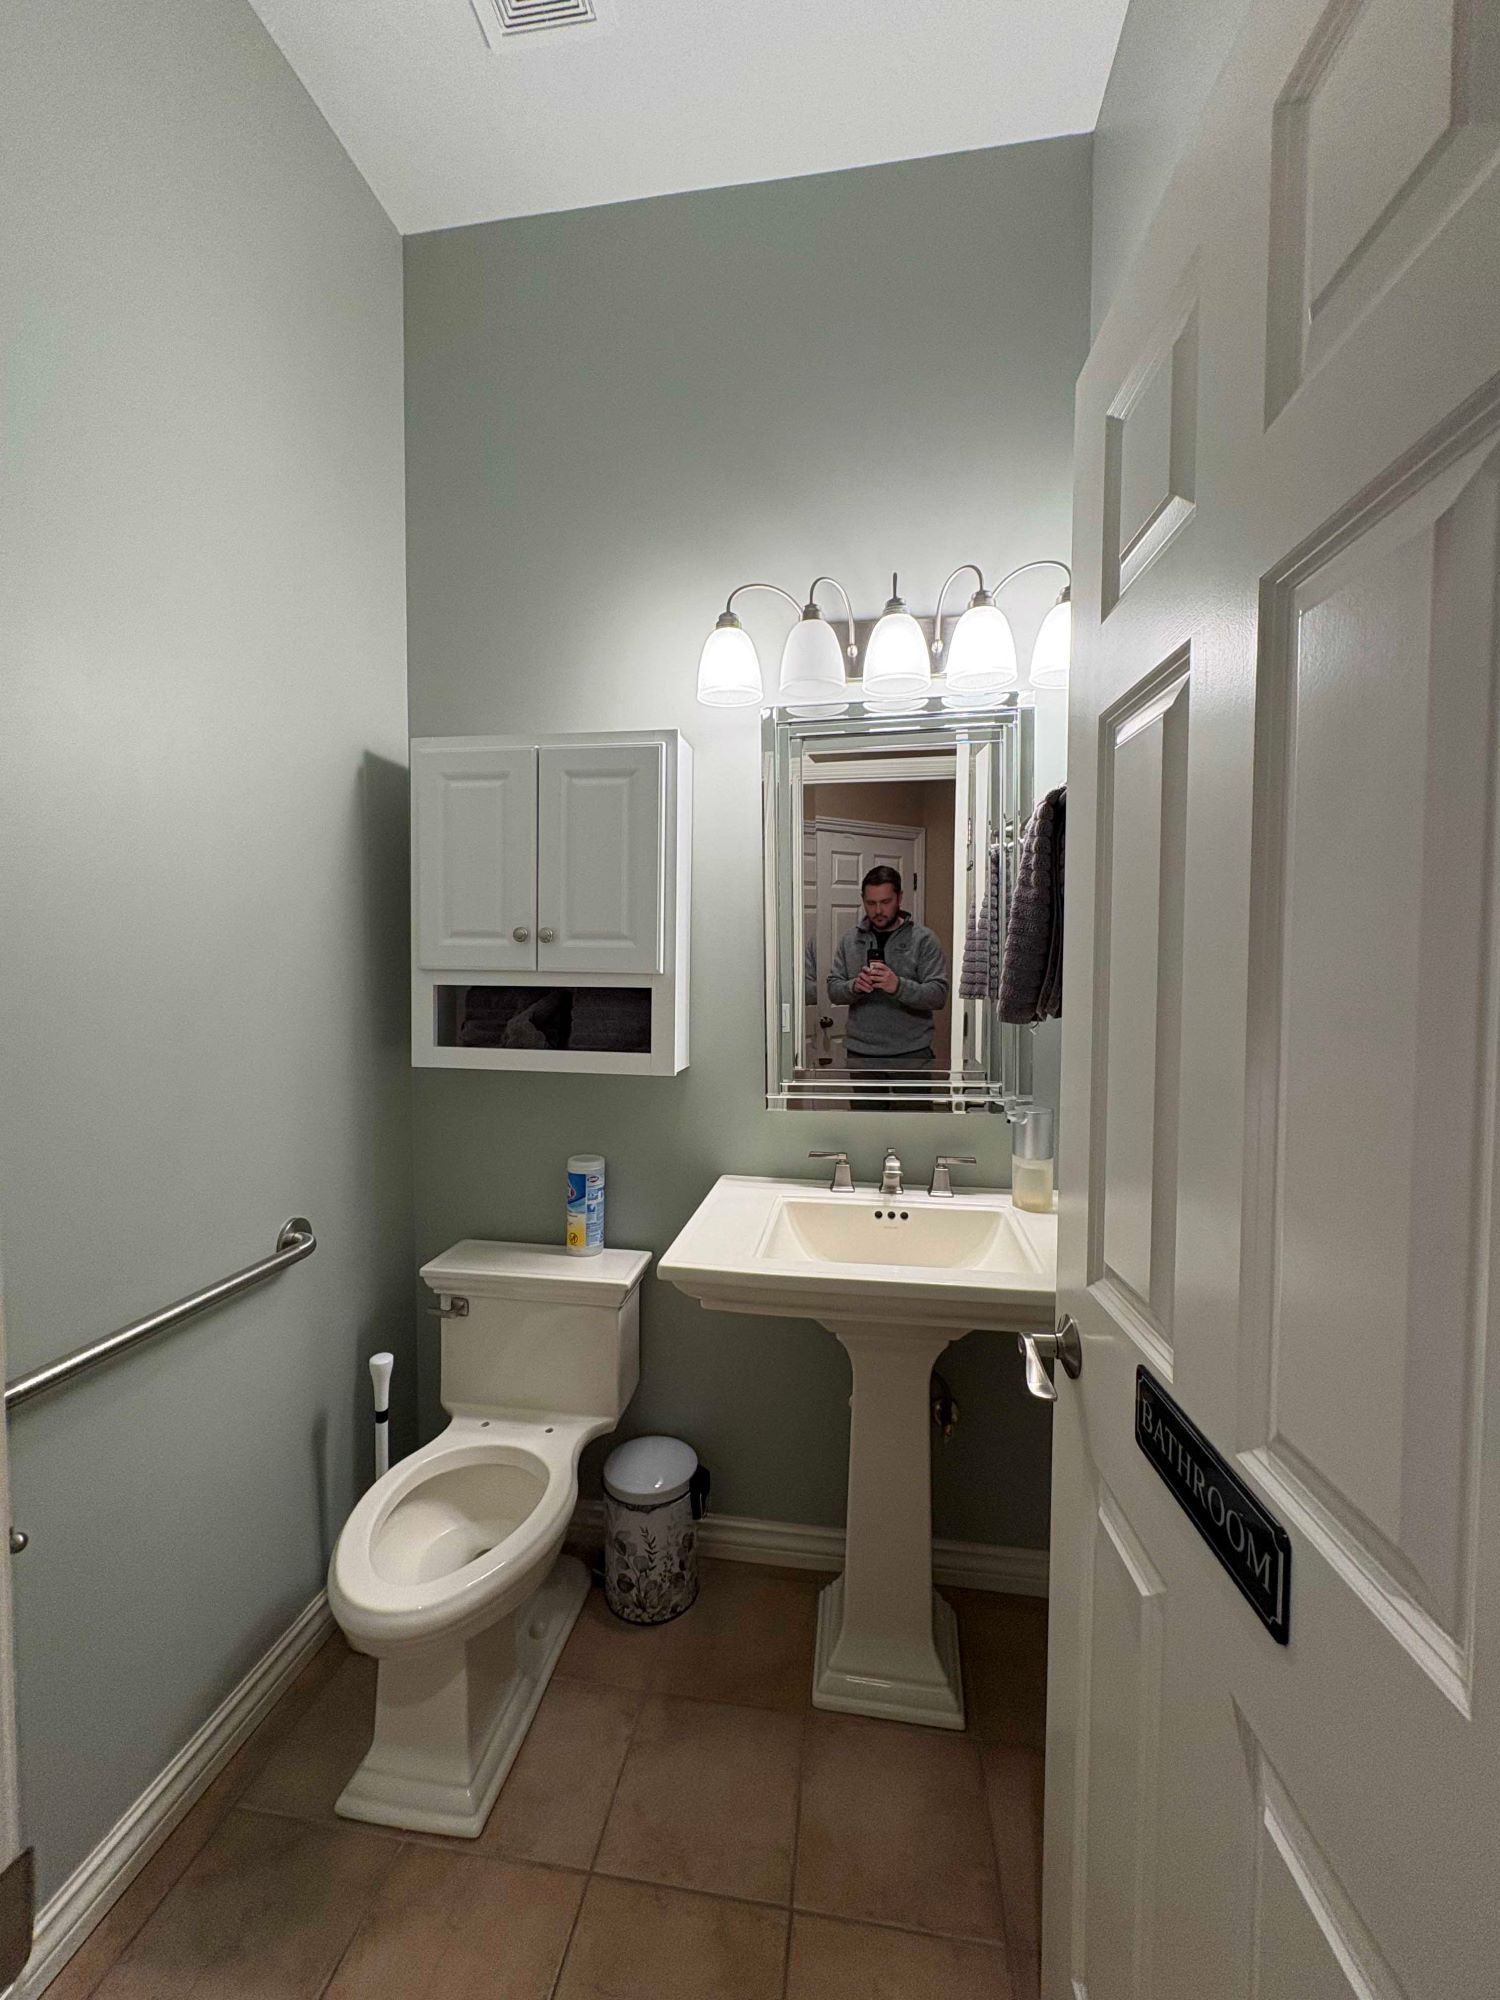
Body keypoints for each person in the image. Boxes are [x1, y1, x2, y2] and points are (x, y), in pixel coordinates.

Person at [827, 865, 949, 1083]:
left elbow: (938, 995)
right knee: (866, 1118)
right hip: (861, 1054)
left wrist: (898, 986)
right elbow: (833, 990)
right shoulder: (849, 940)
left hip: (912, 1054)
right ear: (863, 899)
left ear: (899, 898)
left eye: (885, 902)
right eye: (871, 903)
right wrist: (853, 987)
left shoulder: (924, 940)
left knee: (913, 1117)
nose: (878, 910)